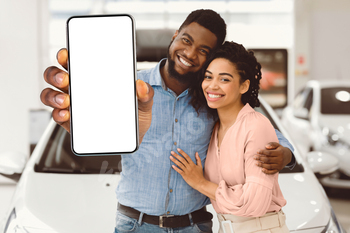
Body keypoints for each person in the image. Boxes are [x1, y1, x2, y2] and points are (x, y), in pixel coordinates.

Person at [41, 9, 294, 233]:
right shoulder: (131, 88)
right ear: (175, 35)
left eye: (203, 51)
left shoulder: (212, 97)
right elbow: (96, 126)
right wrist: (84, 121)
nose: (190, 53)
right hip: (134, 225)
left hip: (195, 225)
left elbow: (257, 129)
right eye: (186, 40)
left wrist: (285, 154)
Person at [170, 41, 289, 233]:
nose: (212, 86)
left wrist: (200, 183)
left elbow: (253, 204)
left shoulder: (256, 126)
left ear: (244, 86)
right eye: (208, 77)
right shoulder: (214, 128)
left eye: (224, 79)